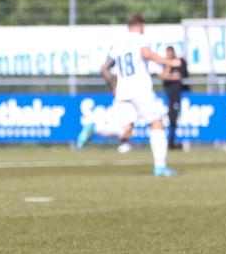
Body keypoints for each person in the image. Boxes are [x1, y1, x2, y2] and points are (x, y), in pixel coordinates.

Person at [76, 12, 181, 176]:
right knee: (156, 124)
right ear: (140, 25)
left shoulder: (118, 43)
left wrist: (113, 85)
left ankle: (95, 128)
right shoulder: (140, 39)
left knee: (126, 133)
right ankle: (160, 167)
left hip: (123, 89)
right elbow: (147, 54)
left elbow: (104, 69)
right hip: (140, 88)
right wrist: (170, 62)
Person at [160, 46, 188, 149]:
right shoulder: (166, 63)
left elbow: (180, 76)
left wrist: (170, 76)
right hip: (167, 96)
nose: (168, 55)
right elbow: (163, 76)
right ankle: (170, 142)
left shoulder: (180, 62)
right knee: (169, 117)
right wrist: (169, 65)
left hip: (177, 95)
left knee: (174, 117)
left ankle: (172, 141)